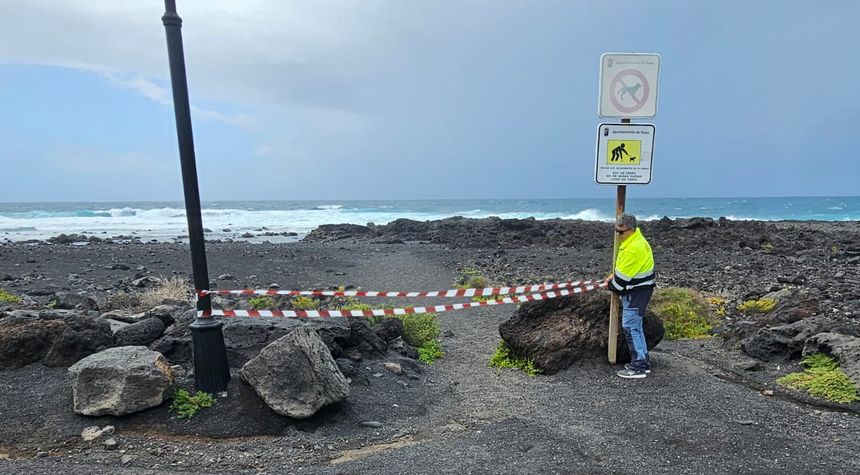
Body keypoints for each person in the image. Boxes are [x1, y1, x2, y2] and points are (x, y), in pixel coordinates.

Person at [603, 213, 656, 379]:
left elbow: (619, 285)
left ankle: (638, 366)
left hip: (636, 292)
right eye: (616, 231)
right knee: (635, 326)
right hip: (640, 289)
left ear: (631, 230)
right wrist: (614, 275)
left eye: (621, 232)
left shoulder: (633, 249)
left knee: (630, 326)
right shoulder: (634, 241)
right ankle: (643, 361)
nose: (617, 235)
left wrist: (610, 284)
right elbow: (622, 272)